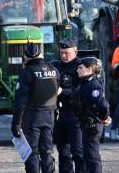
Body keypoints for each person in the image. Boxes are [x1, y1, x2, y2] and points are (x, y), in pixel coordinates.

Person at [12, 43, 60, 173]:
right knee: (47, 151)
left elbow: (20, 102)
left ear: (26, 57)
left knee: (32, 152)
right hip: (50, 116)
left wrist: (16, 123)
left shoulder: (27, 73)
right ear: (41, 55)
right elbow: (57, 91)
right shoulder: (54, 70)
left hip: (32, 118)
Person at [51, 37, 84, 173]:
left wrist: (63, 91)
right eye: (62, 53)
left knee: (78, 151)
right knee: (63, 151)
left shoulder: (81, 67)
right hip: (60, 113)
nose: (64, 56)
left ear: (75, 52)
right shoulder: (55, 66)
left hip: (75, 113)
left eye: (67, 53)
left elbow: (83, 90)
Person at [76, 56, 111, 173]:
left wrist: (104, 118)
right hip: (85, 124)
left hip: (92, 125)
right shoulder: (84, 83)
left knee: (92, 157)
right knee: (87, 156)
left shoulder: (93, 85)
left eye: (80, 68)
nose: (78, 70)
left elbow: (103, 105)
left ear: (90, 69)